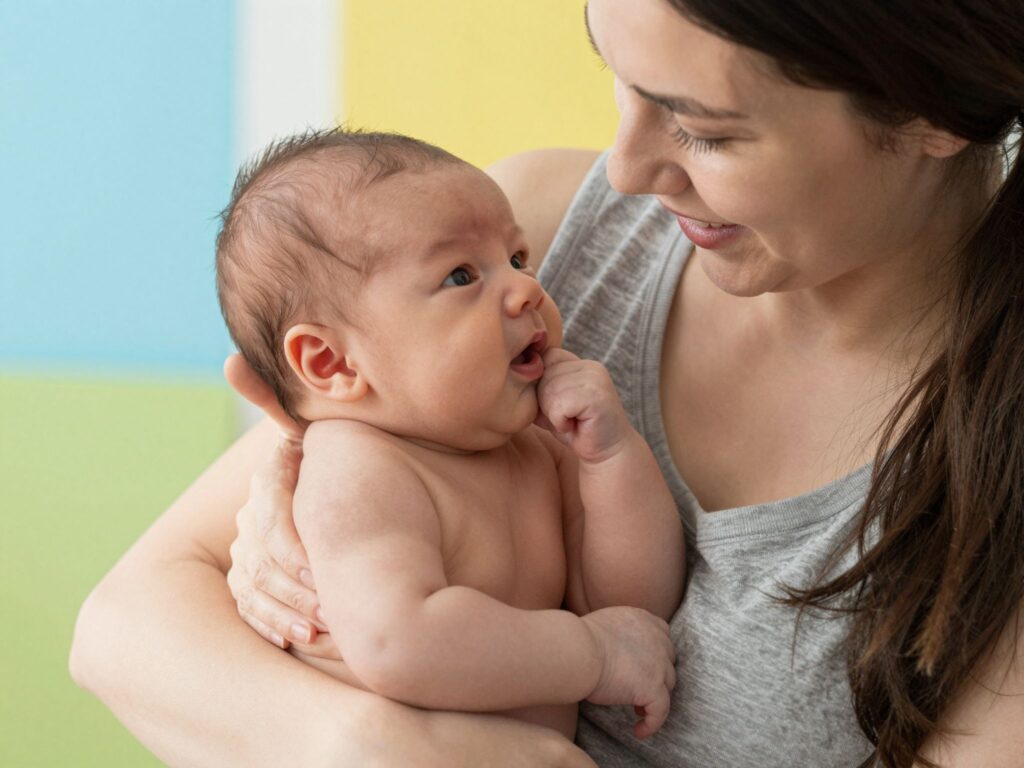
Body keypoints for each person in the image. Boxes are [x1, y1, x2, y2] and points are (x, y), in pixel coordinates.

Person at [70, 0, 1024, 766]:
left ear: (929, 112)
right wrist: (374, 745)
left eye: (705, 133)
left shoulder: (997, 437)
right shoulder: (532, 236)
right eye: (618, 79)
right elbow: (123, 630)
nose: (629, 167)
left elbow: (629, 600)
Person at [213, 128, 683, 741]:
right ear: (333, 364)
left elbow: (629, 607)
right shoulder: (356, 468)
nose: (527, 290)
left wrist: (611, 458)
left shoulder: (534, 447)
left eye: (518, 259)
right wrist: (593, 654)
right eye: (462, 276)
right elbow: (397, 640)